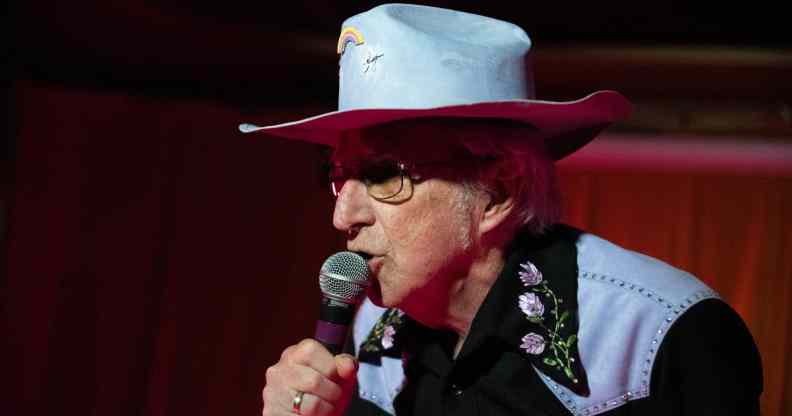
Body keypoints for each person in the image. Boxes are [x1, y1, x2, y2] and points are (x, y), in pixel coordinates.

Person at [240, 4, 763, 415]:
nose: (342, 217)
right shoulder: (375, 328)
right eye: (340, 174)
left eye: (383, 175)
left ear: (497, 191)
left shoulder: (664, 333)